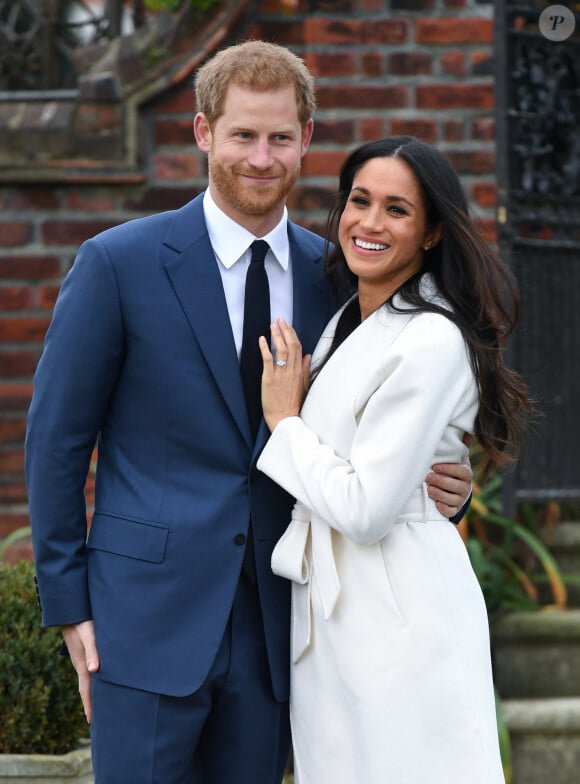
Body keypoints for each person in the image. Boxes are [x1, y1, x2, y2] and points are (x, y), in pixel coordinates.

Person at [24, 42, 471, 784]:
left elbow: (382, 419)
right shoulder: (118, 263)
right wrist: (70, 607)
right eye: (242, 136)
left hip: (284, 631)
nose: (261, 158)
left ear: (306, 141)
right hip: (143, 622)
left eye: (279, 138)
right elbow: (56, 443)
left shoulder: (339, 275)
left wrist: (444, 489)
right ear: (203, 133)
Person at [257, 136, 534, 784]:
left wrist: (283, 421)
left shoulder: (432, 337)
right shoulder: (348, 318)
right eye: (360, 200)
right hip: (338, 604)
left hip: (397, 603)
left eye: (397, 209)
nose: (370, 223)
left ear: (433, 231)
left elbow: (366, 508)